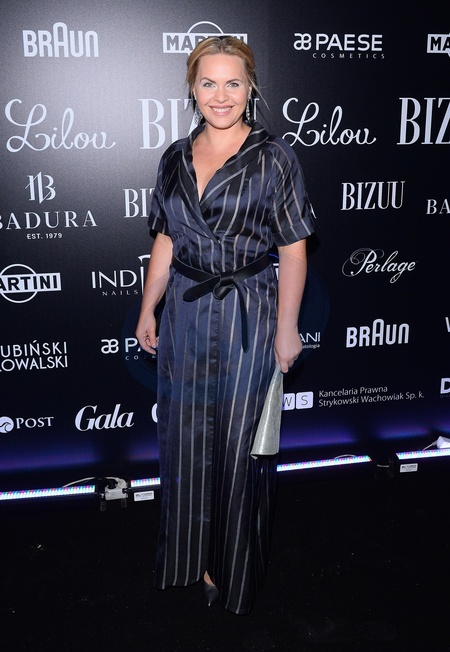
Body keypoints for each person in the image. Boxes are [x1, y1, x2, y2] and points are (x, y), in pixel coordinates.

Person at [136, 35, 316, 615]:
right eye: (208, 83)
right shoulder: (173, 157)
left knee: (240, 449)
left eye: (233, 83)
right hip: (185, 313)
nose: (221, 95)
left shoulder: (274, 157)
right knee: (185, 442)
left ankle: (231, 568)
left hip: (248, 313)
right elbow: (166, 239)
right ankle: (189, 558)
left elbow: (293, 250)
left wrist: (287, 328)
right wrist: (148, 307)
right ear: (192, 89)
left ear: (250, 87)